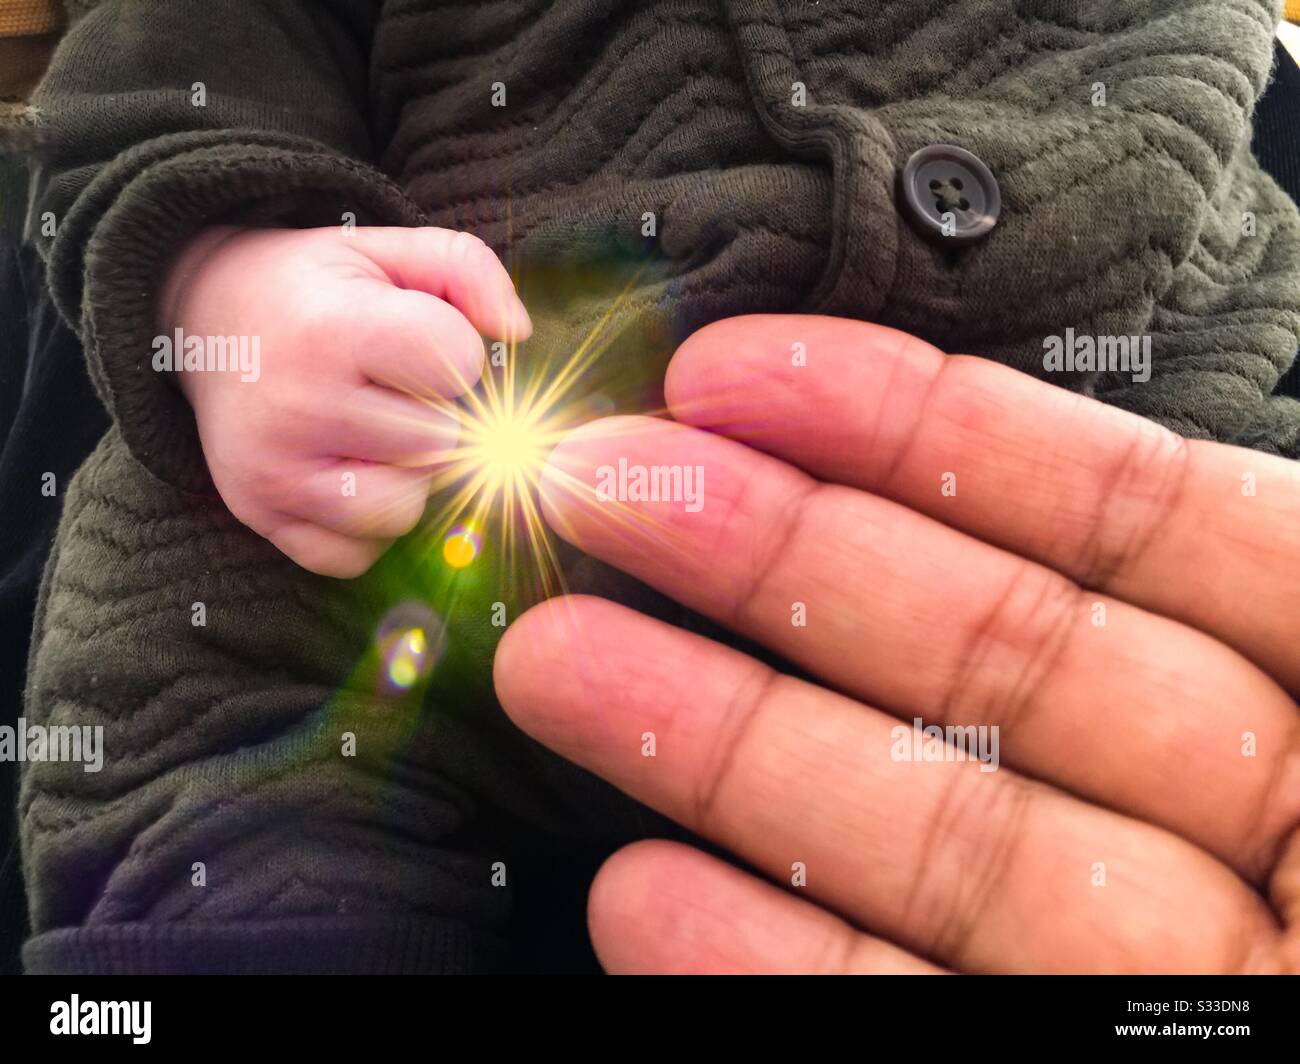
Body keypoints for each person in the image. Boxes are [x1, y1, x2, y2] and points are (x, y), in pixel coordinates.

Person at [11, 0, 1300, 973]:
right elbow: (180, 70)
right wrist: (229, 272)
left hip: (1113, 391)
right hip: (448, 432)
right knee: (198, 656)